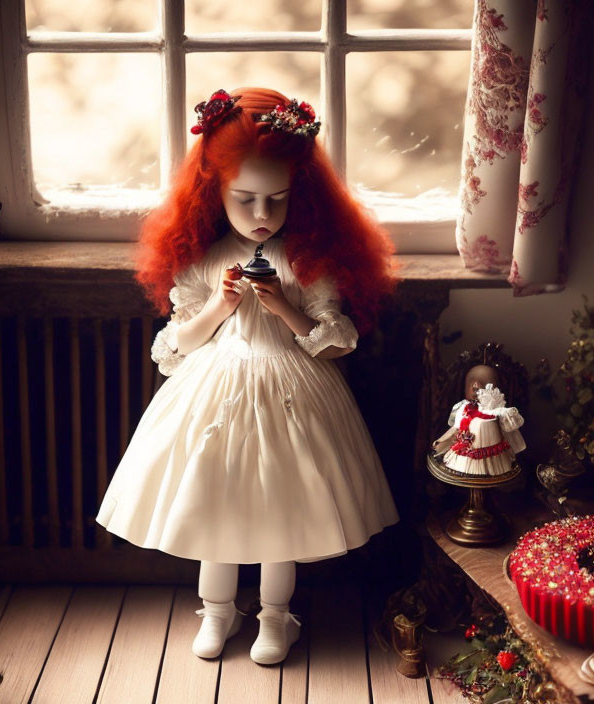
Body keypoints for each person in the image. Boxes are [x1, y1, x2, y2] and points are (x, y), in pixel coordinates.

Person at [95, 88, 399, 665]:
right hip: (215, 391)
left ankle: (276, 617)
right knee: (216, 504)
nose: (262, 216)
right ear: (216, 192)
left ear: (298, 194)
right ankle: (217, 611)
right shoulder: (202, 259)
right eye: (246, 200)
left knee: (281, 509)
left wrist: (285, 306)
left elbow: (335, 343)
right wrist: (218, 307)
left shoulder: (306, 260)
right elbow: (175, 345)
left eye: (277, 200)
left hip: (294, 394)